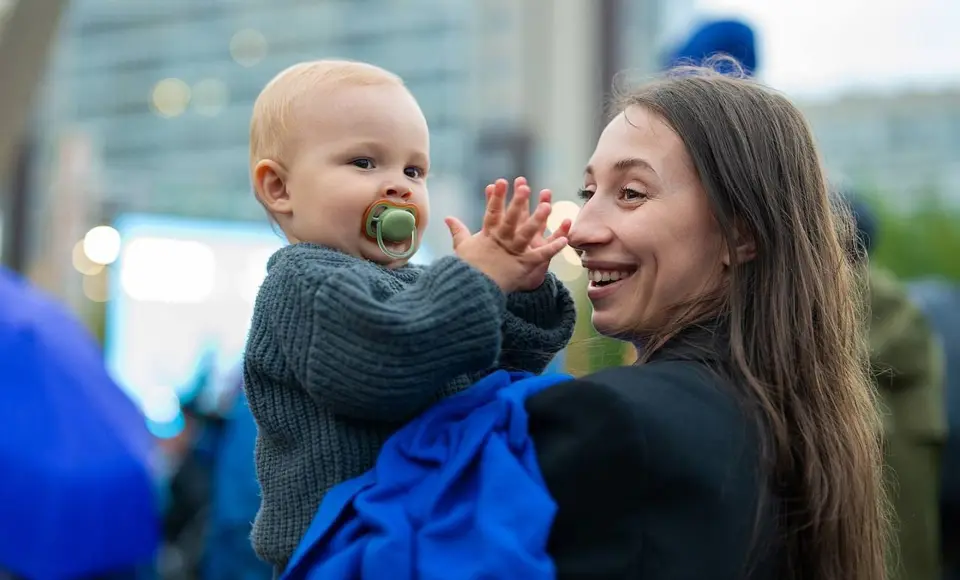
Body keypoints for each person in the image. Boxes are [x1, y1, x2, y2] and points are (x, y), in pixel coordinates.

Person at [521, 60, 887, 579]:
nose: (580, 230)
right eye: (588, 193)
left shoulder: (615, 421)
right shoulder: (804, 423)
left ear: (741, 234)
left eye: (631, 193)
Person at [243, 59, 577, 573]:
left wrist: (519, 289)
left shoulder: (421, 285)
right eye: (363, 162)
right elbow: (383, 363)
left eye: (413, 170)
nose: (398, 185)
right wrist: (478, 282)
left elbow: (494, 374)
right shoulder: (301, 282)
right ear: (279, 188)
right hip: (347, 546)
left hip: (425, 527)